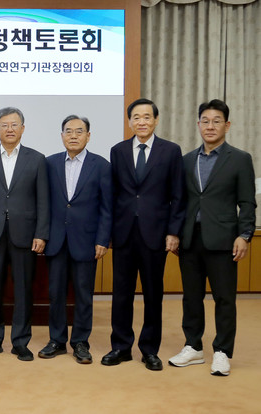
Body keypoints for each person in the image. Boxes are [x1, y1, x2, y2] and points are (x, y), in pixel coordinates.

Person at [168, 99, 256, 376]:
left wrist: (244, 234)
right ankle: (193, 346)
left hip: (223, 240)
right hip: (190, 239)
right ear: (198, 125)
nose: (210, 126)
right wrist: (175, 232)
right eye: (205, 121)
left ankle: (222, 352)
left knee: (224, 299)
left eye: (216, 121)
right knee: (191, 297)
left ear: (227, 125)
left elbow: (247, 202)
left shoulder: (240, 159)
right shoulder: (186, 160)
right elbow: (179, 201)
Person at [102, 98, 185, 371]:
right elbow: (113, 194)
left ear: (156, 120)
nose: (142, 122)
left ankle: (149, 350)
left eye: (147, 117)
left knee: (153, 294)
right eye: (136, 117)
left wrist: (173, 232)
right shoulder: (118, 151)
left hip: (155, 234)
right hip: (124, 233)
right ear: (129, 122)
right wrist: (109, 232)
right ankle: (121, 346)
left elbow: (178, 195)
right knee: (121, 293)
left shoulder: (170, 151)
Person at [0, 107, 49, 362]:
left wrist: (41, 233)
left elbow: (43, 200)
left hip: (25, 234)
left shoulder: (37, 159)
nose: (10, 129)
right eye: (4, 125)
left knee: (23, 290)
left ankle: (20, 342)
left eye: (15, 124)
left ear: (23, 128)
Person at [39, 115, 111, 364]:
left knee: (83, 295)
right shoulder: (49, 163)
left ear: (88, 136)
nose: (73, 135)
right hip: (56, 240)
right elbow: (43, 203)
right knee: (56, 294)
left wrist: (103, 239)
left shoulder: (101, 165)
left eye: (79, 131)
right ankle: (57, 340)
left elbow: (107, 207)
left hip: (86, 241)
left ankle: (80, 342)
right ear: (62, 136)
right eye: (68, 131)